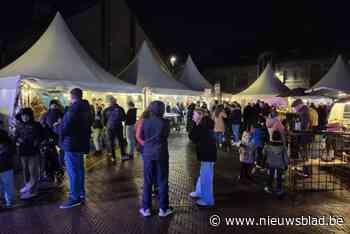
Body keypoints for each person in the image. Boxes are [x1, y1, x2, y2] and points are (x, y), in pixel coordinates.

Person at [55, 88, 93, 209]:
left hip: (71, 143)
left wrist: (55, 127)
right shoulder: (87, 108)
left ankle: (74, 197)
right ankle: (80, 194)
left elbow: (65, 127)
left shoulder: (74, 108)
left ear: (71, 96)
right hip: (81, 143)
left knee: (73, 172)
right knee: (79, 170)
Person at [139, 101, 173, 218]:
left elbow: (141, 136)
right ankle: (163, 208)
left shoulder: (145, 122)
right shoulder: (166, 123)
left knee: (147, 181)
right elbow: (165, 136)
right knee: (162, 180)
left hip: (148, 153)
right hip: (161, 153)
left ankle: (146, 208)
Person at [189, 109, 217, 207]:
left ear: (200, 115)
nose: (192, 116)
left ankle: (207, 200)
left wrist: (195, 123)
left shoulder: (203, 125)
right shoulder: (205, 124)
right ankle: (199, 191)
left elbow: (192, 136)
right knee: (203, 174)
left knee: (206, 177)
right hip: (207, 153)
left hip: (207, 154)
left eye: (194, 114)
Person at [15, 108, 43, 200]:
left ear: (30, 116)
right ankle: (28, 186)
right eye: (23, 115)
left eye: (26, 115)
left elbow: (41, 136)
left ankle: (33, 190)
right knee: (25, 170)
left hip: (33, 152)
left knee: (33, 171)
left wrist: (37, 142)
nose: (24, 117)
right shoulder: (19, 125)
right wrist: (18, 141)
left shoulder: (36, 125)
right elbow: (16, 136)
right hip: (23, 152)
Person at [39, 100, 64, 184]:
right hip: (53, 139)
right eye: (53, 106)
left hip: (52, 139)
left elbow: (42, 124)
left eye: (55, 106)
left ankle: (52, 174)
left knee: (51, 157)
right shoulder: (61, 114)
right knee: (53, 157)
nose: (54, 107)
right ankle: (55, 172)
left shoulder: (46, 114)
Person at [103, 96, 128, 162]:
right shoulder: (120, 109)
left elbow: (103, 120)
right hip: (118, 127)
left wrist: (106, 125)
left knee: (111, 142)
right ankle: (123, 155)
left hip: (109, 127)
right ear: (116, 101)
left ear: (109, 102)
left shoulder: (106, 110)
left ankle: (113, 157)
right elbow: (124, 118)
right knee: (121, 141)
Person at [264, 131, 289, 195]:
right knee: (279, 177)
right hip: (280, 164)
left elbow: (264, 153)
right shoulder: (283, 147)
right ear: (280, 137)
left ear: (272, 137)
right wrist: (286, 165)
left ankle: (269, 187)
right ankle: (279, 189)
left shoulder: (268, 145)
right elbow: (285, 157)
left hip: (270, 163)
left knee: (270, 175)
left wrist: (265, 161)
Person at [0, 129, 15, 208]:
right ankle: (5, 200)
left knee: (7, 184)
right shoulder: (7, 143)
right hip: (6, 167)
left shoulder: (6, 144)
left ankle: (8, 201)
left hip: (6, 167)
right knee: (6, 185)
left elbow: (8, 153)